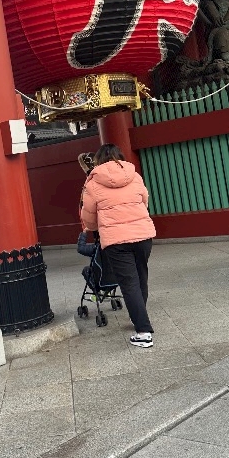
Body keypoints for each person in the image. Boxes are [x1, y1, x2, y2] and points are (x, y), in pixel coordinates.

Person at [79, 144, 156, 347]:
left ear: (98, 160)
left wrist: (95, 228)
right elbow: (144, 201)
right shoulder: (134, 175)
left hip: (116, 239)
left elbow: (89, 216)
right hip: (143, 235)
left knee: (129, 283)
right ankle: (138, 315)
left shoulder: (93, 183)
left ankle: (143, 332)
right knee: (141, 278)